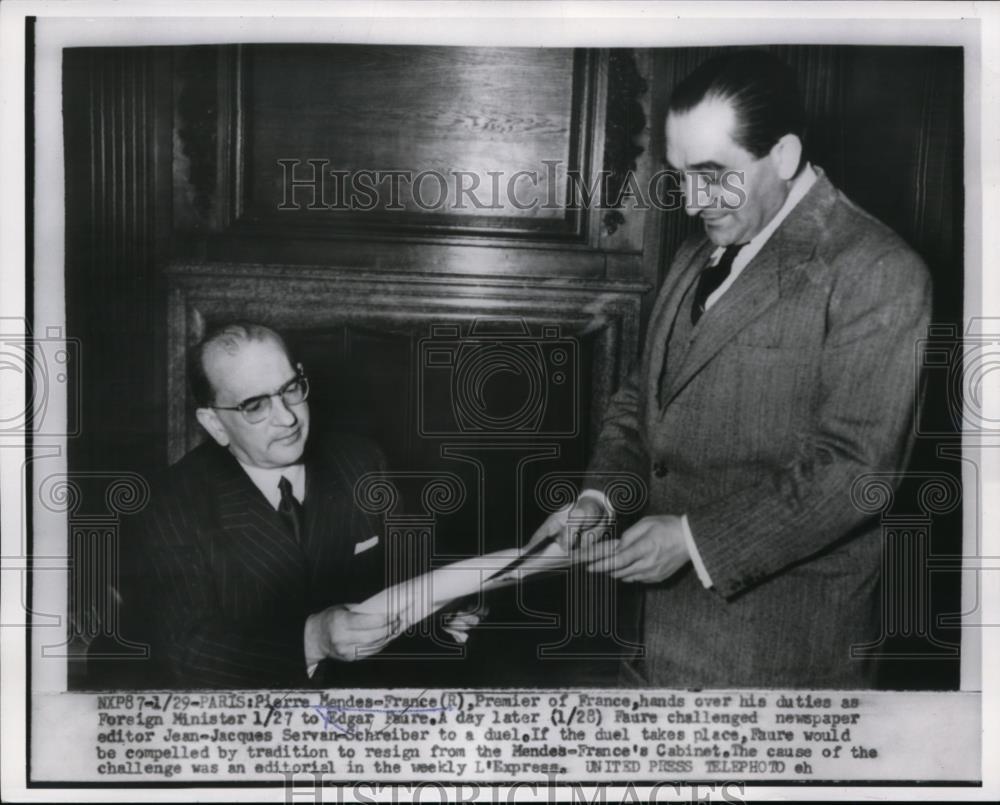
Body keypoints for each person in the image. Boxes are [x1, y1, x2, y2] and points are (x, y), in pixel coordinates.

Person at [530, 50, 932, 688]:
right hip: (653, 644)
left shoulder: (877, 271)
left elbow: (855, 472)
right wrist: (600, 499)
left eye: (713, 172)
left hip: (774, 663)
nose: (692, 202)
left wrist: (693, 542)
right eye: (681, 174)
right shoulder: (707, 242)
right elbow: (645, 399)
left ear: (786, 155)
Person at [128, 322, 476, 688]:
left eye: (290, 389)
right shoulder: (170, 503)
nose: (287, 417)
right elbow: (188, 653)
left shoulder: (359, 462)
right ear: (215, 423)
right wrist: (312, 640)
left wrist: (448, 607)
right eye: (255, 405)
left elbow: (403, 571)